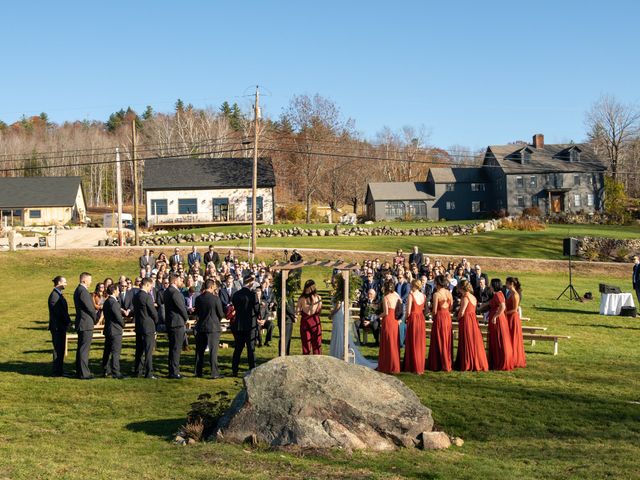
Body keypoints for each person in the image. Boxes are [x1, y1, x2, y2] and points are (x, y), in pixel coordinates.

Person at [328, 276, 377, 369]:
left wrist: (331, 314)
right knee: (338, 333)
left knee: (340, 334)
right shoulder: (339, 292)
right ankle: (337, 354)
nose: (333, 284)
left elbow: (338, 305)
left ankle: (340, 354)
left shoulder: (339, 293)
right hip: (338, 315)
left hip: (338, 315)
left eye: (334, 282)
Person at [454, 280, 488, 372]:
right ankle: (475, 359)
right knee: (473, 339)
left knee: (467, 339)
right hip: (473, 319)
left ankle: (468, 361)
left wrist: (457, 317)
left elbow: (462, 312)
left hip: (466, 320)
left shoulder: (465, 297)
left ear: (461, 288)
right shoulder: (473, 297)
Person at [194, 279, 225, 379]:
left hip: (201, 326)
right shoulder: (215, 299)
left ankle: (198, 371)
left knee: (199, 351)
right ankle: (214, 373)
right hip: (213, 327)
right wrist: (217, 319)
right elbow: (220, 313)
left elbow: (197, 313)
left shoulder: (198, 298)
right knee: (213, 351)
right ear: (211, 287)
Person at [231, 276, 261, 376]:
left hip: (239, 324)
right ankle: (252, 369)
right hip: (250, 324)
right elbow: (257, 310)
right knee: (251, 348)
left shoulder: (236, 294)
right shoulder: (252, 295)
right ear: (250, 283)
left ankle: (234, 369)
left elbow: (235, 307)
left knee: (238, 349)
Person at [482, 279, 514, 371]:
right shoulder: (499, 294)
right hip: (498, 319)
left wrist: (495, 316)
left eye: (491, 285)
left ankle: (499, 361)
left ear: (494, 286)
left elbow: (502, 306)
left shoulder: (497, 294)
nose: (490, 287)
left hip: (498, 320)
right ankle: (498, 360)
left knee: (498, 339)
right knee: (498, 339)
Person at [164, 273, 188, 379]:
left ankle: (172, 370)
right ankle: (174, 371)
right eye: (179, 280)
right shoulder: (175, 293)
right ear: (174, 281)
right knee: (176, 348)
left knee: (172, 348)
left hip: (170, 322)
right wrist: (186, 318)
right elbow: (181, 307)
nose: (181, 282)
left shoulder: (167, 291)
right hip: (177, 323)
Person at [133, 277, 159, 378]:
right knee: (148, 351)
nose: (151, 288)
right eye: (151, 286)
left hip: (139, 325)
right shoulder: (147, 297)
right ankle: (149, 372)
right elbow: (153, 312)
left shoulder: (136, 296)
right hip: (148, 326)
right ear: (147, 285)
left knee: (139, 350)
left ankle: (138, 371)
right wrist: (156, 321)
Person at [427, 275, 453, 372]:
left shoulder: (436, 294)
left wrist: (432, 314)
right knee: (446, 338)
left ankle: (438, 362)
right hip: (447, 316)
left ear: (437, 283)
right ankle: (447, 360)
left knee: (438, 338)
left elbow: (434, 310)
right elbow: (451, 306)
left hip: (439, 317)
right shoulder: (449, 293)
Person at [73, 272, 97, 380]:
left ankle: (80, 371)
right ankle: (84, 373)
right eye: (89, 280)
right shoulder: (83, 291)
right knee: (84, 349)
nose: (91, 282)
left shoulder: (79, 290)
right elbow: (90, 307)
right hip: (85, 323)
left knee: (81, 348)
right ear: (84, 280)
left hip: (82, 323)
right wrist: (95, 318)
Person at [48, 275, 71, 377]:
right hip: (57, 327)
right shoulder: (54, 296)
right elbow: (58, 313)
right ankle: (57, 372)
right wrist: (67, 321)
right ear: (59, 283)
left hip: (60, 326)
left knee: (61, 349)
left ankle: (60, 370)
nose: (66, 284)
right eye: (64, 282)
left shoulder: (58, 294)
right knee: (58, 349)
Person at [101, 284, 126, 379]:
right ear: (114, 291)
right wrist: (123, 324)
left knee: (107, 351)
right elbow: (118, 317)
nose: (119, 292)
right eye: (118, 290)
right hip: (115, 330)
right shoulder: (114, 302)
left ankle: (105, 370)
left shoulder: (107, 301)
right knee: (115, 351)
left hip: (108, 329)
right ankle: (116, 372)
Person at [377, 279, 401, 374]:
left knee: (387, 342)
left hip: (388, 320)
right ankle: (395, 365)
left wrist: (377, 316)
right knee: (394, 342)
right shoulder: (397, 296)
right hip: (395, 320)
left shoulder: (385, 297)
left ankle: (386, 365)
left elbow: (385, 312)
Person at [403, 279, 427, 374]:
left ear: (413, 285)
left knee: (412, 340)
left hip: (413, 318)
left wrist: (405, 319)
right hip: (421, 318)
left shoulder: (411, 295)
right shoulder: (423, 296)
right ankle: (419, 363)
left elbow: (408, 311)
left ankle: (412, 364)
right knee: (419, 341)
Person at [297, 280, 323, 355]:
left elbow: (297, 311)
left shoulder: (302, 298)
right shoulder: (318, 298)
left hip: (306, 322)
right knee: (316, 343)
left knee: (306, 343)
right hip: (314, 321)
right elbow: (320, 310)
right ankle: (317, 359)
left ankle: (307, 360)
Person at [505, 277, 526, 369]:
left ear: (511, 284)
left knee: (513, 337)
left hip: (513, 318)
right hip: (509, 317)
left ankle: (514, 358)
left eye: (507, 283)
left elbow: (514, 309)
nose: (506, 284)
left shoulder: (515, 295)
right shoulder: (510, 293)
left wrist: (505, 313)